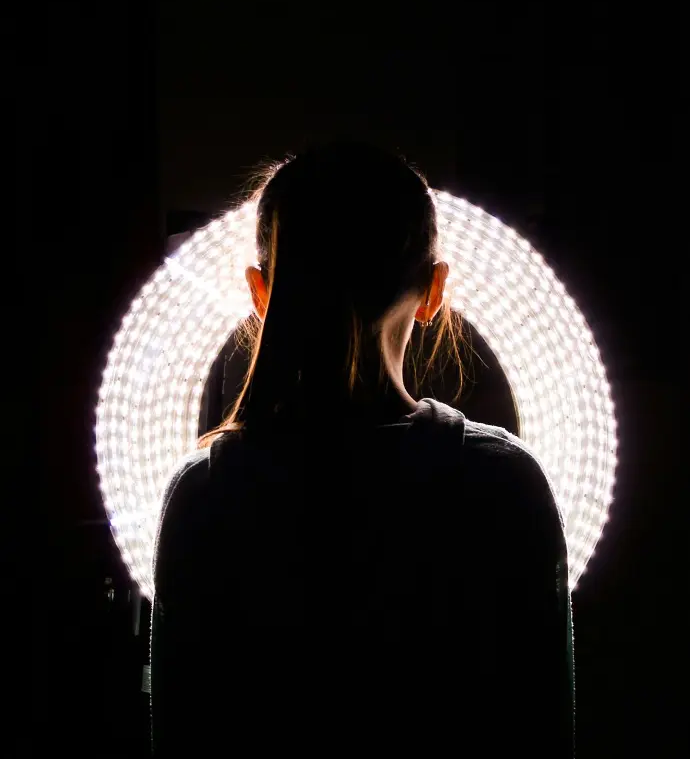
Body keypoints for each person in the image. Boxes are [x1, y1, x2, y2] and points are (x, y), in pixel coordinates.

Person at [150, 141, 575, 757]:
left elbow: (182, 734)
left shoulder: (206, 490)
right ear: (435, 291)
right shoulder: (502, 481)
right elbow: (542, 730)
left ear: (260, 293)